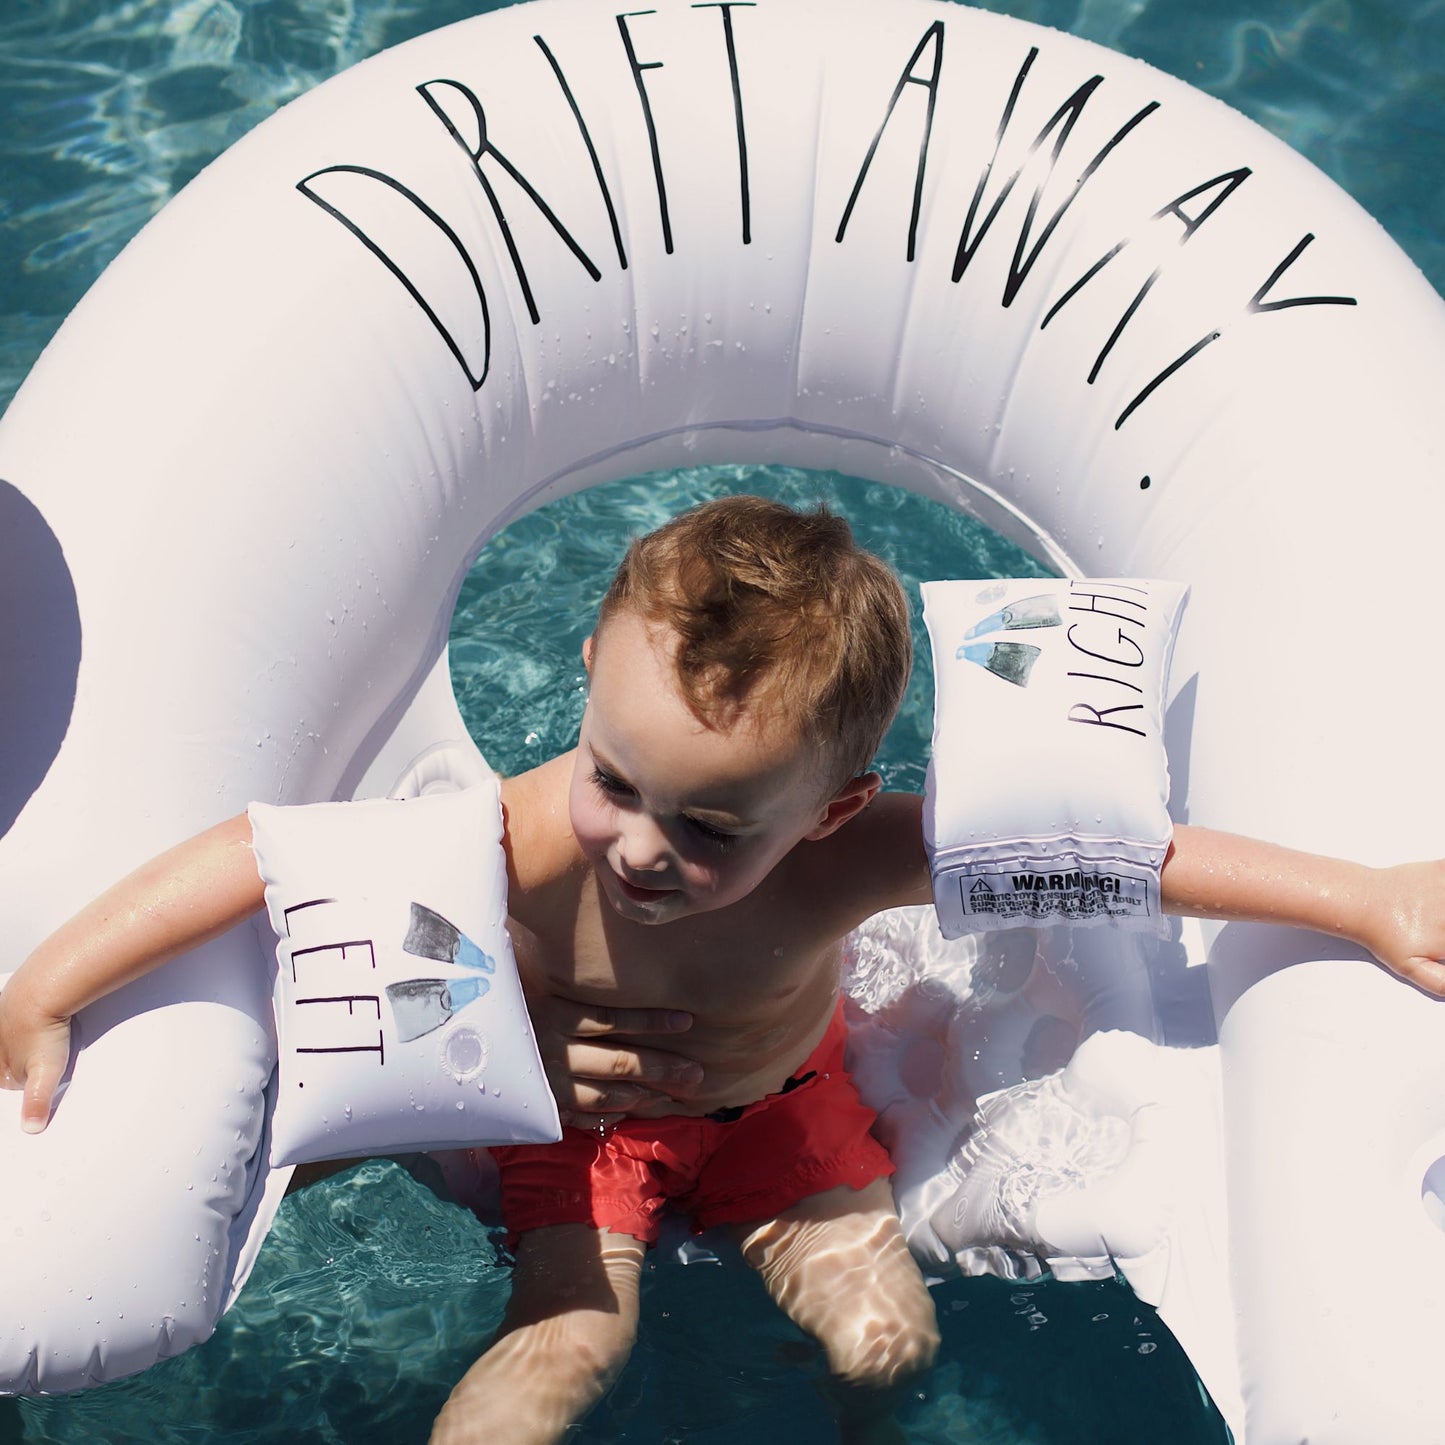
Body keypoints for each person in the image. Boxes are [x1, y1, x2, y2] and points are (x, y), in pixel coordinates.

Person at [3, 496, 1445, 1445]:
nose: (638, 845)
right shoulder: (508, 833)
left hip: (785, 1111)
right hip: (581, 1132)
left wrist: (1364, 898)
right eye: (616, 780)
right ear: (585, 682)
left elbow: (1111, 852)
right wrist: (49, 980)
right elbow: (255, 858)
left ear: (823, 808)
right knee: (569, 1342)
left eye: (707, 828)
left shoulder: (854, 856)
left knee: (885, 1339)